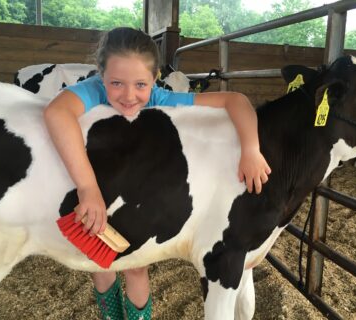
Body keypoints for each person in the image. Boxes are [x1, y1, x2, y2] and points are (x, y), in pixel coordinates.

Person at [44, 27, 271, 320]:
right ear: (101, 74)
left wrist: (250, 149)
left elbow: (235, 100)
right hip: (96, 192)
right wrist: (88, 188)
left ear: (155, 79)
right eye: (116, 83)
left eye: (140, 83)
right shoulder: (92, 91)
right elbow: (56, 113)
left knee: (137, 266)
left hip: (137, 198)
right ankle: (111, 316)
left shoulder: (160, 99)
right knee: (100, 265)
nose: (129, 95)